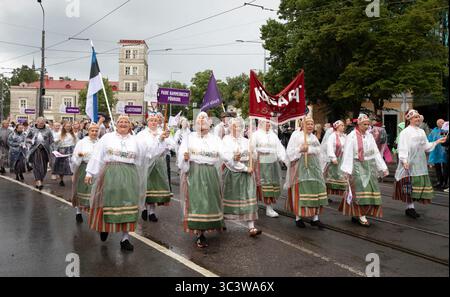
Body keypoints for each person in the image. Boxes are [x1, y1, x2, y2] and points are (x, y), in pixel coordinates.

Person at [85, 115, 145, 252]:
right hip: (110, 173)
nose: (123, 124)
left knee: (128, 204)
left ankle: (125, 238)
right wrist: (89, 173)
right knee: (108, 201)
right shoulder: (107, 138)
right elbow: (97, 155)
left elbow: (142, 158)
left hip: (129, 174)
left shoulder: (136, 141)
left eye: (126, 122)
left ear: (130, 125)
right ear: (116, 124)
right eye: (120, 122)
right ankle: (105, 228)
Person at [178, 112, 226, 248]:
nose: (201, 120)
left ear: (210, 122)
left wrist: (235, 156)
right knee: (197, 202)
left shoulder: (215, 139)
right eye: (199, 118)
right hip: (194, 172)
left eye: (204, 118)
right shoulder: (189, 138)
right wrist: (184, 158)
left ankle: (211, 225)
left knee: (210, 201)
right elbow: (181, 156)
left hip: (210, 173)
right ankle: (200, 233)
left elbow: (224, 153)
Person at [393, 110, 447, 219]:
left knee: (416, 186)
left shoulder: (421, 131)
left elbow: (426, 146)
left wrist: (437, 142)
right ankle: (410, 208)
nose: (417, 119)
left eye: (418, 117)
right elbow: (402, 147)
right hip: (409, 163)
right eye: (415, 117)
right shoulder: (405, 132)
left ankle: (410, 208)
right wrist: (404, 161)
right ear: (410, 119)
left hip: (420, 163)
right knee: (409, 185)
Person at [340, 114, 388, 227]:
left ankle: (358, 213)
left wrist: (382, 167)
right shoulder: (352, 136)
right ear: (359, 124)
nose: (366, 127)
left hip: (369, 165)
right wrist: (347, 170)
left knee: (370, 189)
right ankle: (361, 215)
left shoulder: (369, 136)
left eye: (368, 124)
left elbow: (375, 152)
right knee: (360, 190)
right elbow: (347, 153)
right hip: (357, 165)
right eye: (364, 124)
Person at [286, 117, 328, 229]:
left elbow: (319, 152)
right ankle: (298, 217)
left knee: (315, 190)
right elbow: (289, 153)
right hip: (300, 167)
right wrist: (300, 149)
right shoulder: (296, 136)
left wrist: (311, 151)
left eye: (312, 124)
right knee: (300, 190)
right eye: (308, 124)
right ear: (303, 125)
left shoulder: (314, 137)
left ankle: (315, 218)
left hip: (314, 167)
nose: (310, 126)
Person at [222, 117, 261, 237]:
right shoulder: (226, 140)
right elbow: (227, 159)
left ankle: (251, 227)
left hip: (247, 174)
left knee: (248, 197)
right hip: (233, 172)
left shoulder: (246, 141)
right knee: (229, 197)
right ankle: (221, 221)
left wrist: (253, 152)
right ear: (230, 127)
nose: (236, 128)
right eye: (234, 126)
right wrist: (243, 167)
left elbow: (253, 157)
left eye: (239, 126)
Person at [137, 113, 174, 222]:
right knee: (146, 186)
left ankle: (152, 211)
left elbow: (172, 145)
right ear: (147, 122)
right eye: (151, 120)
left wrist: (165, 140)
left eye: (155, 120)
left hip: (159, 162)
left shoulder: (162, 132)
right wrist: (158, 140)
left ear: (158, 122)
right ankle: (144, 208)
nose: (153, 122)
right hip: (146, 162)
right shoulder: (142, 134)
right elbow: (142, 148)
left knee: (156, 188)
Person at [250, 119, 287, 218]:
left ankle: (269, 208)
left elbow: (279, 148)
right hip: (260, 163)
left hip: (272, 163)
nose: (268, 124)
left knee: (270, 184)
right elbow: (251, 148)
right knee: (260, 184)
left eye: (269, 122)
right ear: (261, 123)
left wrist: (284, 159)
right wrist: (254, 157)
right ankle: (255, 205)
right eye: (266, 122)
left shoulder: (273, 135)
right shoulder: (256, 135)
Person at [70, 123, 99, 223]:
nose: (94, 133)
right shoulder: (82, 142)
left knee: (94, 190)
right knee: (82, 189)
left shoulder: (100, 143)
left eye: (96, 131)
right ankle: (78, 211)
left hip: (96, 169)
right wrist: (79, 156)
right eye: (92, 131)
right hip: (84, 167)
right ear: (88, 131)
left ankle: (92, 212)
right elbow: (75, 157)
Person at [26, 117, 54, 190]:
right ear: (37, 122)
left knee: (44, 167)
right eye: (40, 122)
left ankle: (39, 179)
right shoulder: (32, 130)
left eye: (43, 122)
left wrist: (53, 149)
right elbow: (26, 139)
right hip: (35, 150)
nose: (41, 124)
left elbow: (52, 141)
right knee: (36, 166)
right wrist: (31, 141)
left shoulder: (48, 130)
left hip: (45, 151)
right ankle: (38, 181)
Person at [324, 120, 347, 197]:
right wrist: (333, 158)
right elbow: (329, 147)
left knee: (343, 177)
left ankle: (344, 195)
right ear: (337, 127)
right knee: (331, 177)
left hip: (343, 160)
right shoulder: (332, 136)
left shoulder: (344, 136)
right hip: (335, 159)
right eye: (342, 125)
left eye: (343, 125)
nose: (343, 127)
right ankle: (327, 194)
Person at [52, 121, 76, 186]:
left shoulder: (73, 134)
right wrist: (58, 140)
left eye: (69, 126)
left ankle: (73, 180)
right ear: (64, 127)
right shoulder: (60, 134)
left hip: (71, 150)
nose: (68, 128)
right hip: (62, 150)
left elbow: (76, 142)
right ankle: (61, 180)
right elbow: (54, 142)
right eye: (67, 126)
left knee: (72, 165)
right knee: (62, 166)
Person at [428, 119, 448, 190]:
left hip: (444, 152)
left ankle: (445, 183)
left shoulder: (445, 130)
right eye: (440, 123)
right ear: (437, 124)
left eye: (443, 122)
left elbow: (445, 140)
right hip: (436, 152)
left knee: (445, 168)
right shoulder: (434, 130)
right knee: (437, 168)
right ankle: (440, 182)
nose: (442, 124)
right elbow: (429, 139)